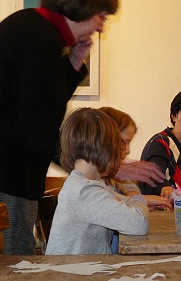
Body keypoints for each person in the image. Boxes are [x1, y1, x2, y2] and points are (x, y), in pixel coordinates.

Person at [0, 0, 161, 261]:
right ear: (82, 4)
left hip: (1, 175)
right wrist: (105, 161)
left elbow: (41, 106)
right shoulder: (37, 36)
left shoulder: (38, 31)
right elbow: (38, 128)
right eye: (101, 16)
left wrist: (73, 64)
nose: (101, 28)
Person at [46, 108, 149, 255]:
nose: (122, 152)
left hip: (81, 270)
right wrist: (139, 201)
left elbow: (126, 202)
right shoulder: (84, 192)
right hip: (71, 274)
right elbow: (140, 223)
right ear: (104, 148)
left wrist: (133, 201)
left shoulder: (85, 184)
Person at [98, 107, 171, 210]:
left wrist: (134, 194)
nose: (128, 150)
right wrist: (141, 200)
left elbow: (126, 184)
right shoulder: (92, 180)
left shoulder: (116, 170)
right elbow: (108, 203)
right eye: (124, 142)